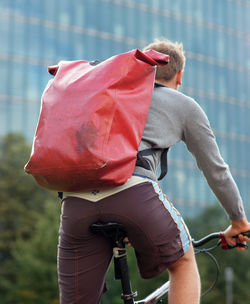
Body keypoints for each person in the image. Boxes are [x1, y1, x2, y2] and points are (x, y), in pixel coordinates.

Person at [57, 39, 250, 304]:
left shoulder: (109, 92)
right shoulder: (184, 105)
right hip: (134, 195)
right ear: (179, 76)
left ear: (143, 68)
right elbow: (216, 170)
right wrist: (238, 221)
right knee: (183, 262)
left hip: (75, 201)